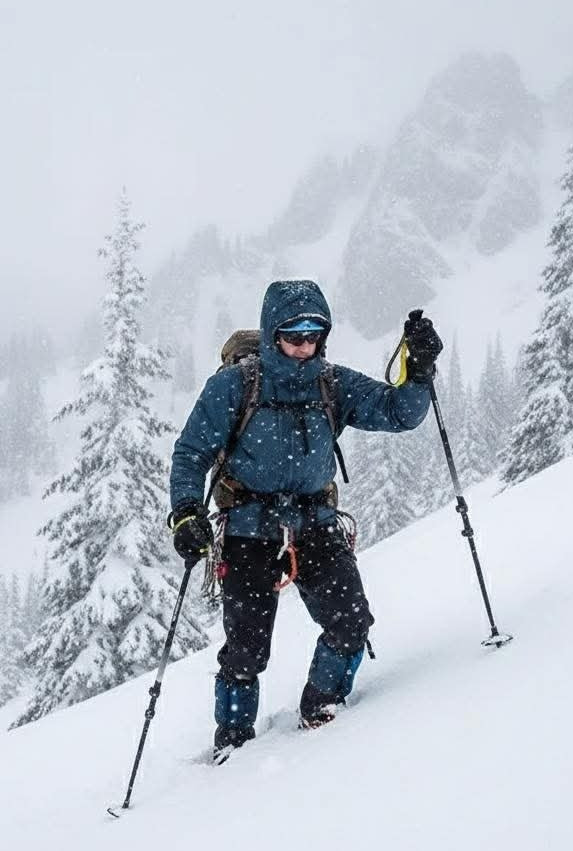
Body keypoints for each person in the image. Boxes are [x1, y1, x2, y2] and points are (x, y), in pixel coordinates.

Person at [168, 279, 443, 756]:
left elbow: (398, 413)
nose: (303, 346)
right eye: (294, 335)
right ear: (273, 334)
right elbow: (190, 453)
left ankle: (322, 712)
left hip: (315, 524)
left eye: (314, 335)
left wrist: (417, 372)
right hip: (249, 530)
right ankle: (231, 746)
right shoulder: (235, 384)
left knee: (351, 622)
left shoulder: (332, 383)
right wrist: (186, 513)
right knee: (245, 653)